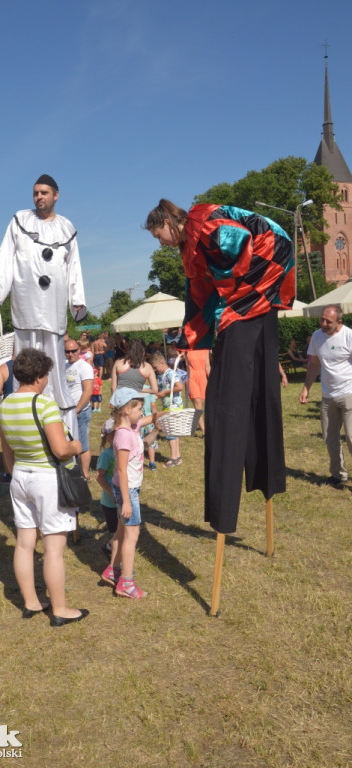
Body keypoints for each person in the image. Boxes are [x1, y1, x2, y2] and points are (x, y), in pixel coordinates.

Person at [145, 198, 294, 534]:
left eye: (158, 235)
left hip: (268, 254)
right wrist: (190, 336)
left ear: (169, 223)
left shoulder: (202, 223)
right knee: (230, 338)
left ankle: (257, 479)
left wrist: (228, 291)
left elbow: (240, 241)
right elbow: (198, 295)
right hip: (254, 274)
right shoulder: (189, 250)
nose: (160, 242)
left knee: (229, 384)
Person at [0, 174, 86, 434]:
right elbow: (6, 255)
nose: (39, 197)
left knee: (53, 361)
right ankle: (26, 414)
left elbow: (74, 267)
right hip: (26, 302)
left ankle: (57, 419)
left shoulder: (66, 228)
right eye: (35, 193)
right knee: (26, 360)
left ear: (56, 195)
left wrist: (77, 301)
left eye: (44, 193)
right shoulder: (20, 220)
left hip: (53, 306)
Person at [0, 348, 88, 626]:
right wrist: (77, 445)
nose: (48, 380)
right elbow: (61, 449)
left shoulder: (5, 405)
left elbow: (6, 451)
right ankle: (59, 609)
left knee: (25, 544)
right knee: (53, 548)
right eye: (47, 374)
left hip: (20, 476)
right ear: (38, 376)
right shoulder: (44, 404)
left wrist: (17, 473)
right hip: (46, 478)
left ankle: (31, 602)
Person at [100, 387, 157, 599]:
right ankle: (126, 583)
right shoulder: (123, 436)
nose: (142, 412)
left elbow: (150, 419)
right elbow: (121, 470)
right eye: (139, 408)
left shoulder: (132, 426)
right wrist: (125, 501)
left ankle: (112, 571)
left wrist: (166, 416)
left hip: (129, 489)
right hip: (127, 490)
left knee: (121, 533)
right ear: (126, 410)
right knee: (132, 535)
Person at [299, 304, 352, 487]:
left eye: (327, 321)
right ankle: (338, 475)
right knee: (330, 439)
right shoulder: (316, 336)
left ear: (339, 322)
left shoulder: (348, 336)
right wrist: (306, 388)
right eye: (321, 319)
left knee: (351, 438)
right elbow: (314, 364)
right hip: (328, 396)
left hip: (349, 394)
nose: (323, 323)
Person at [150, 351, 186, 468]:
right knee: (172, 432)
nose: (156, 370)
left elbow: (179, 387)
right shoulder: (163, 375)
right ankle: (177, 456)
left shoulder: (171, 373)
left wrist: (165, 392)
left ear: (161, 363)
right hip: (169, 406)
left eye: (156, 367)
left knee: (169, 432)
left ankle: (173, 458)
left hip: (174, 406)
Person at [65, 339, 94, 479]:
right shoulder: (64, 366)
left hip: (80, 411)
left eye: (73, 351)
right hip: (67, 412)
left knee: (82, 444)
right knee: (69, 442)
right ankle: (72, 471)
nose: (70, 354)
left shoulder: (84, 367)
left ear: (79, 350)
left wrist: (77, 410)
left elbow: (88, 392)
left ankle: (85, 475)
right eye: (67, 351)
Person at [96, 418, 118, 557]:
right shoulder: (107, 455)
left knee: (123, 530)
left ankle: (112, 549)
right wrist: (111, 494)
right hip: (110, 503)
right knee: (117, 531)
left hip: (122, 497)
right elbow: (99, 476)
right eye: (114, 435)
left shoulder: (123, 452)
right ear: (108, 438)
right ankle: (111, 551)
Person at [0, 356, 14, 483]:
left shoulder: (4, 367)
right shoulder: (32, 364)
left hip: (9, 406)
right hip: (29, 405)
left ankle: (9, 473)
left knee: (7, 444)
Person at [185, 349, 210, 436]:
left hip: (203, 378)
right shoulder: (186, 350)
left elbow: (207, 366)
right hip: (191, 377)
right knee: (198, 404)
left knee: (201, 406)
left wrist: (212, 380)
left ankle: (192, 426)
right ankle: (204, 432)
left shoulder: (205, 350)